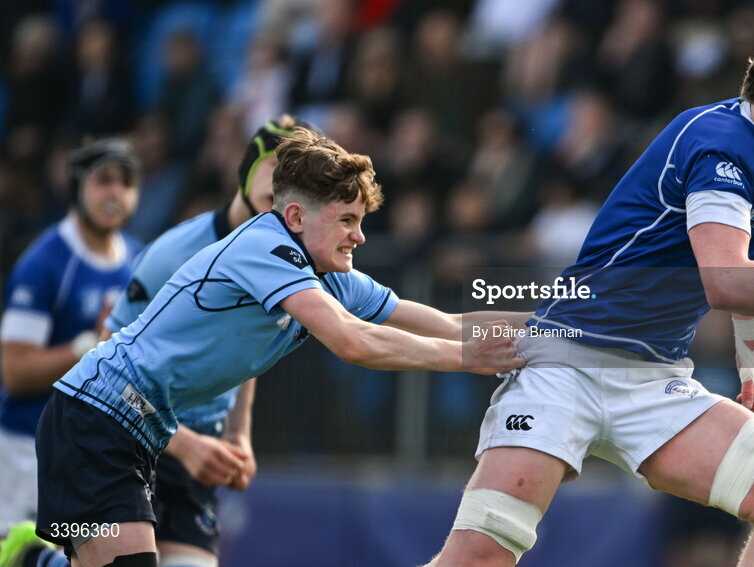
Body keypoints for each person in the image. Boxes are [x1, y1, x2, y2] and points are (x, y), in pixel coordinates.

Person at [425, 13, 754, 567]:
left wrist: (750, 357)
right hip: (564, 364)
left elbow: (743, 263)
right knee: (478, 556)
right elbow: (724, 281)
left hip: (653, 380)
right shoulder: (720, 145)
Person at [33, 127, 525, 567]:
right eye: (347, 220)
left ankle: (32, 559)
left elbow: (448, 322)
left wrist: (556, 323)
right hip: (95, 417)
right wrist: (465, 358)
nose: (360, 236)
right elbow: (353, 341)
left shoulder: (333, 276)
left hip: (143, 430)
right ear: (294, 215)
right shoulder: (264, 246)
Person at [97, 115, 308, 567]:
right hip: (129, 445)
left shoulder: (286, 260)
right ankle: (35, 556)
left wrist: (239, 433)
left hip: (198, 458)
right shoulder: (175, 252)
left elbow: (248, 350)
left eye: (302, 174)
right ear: (247, 173)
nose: (288, 183)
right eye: (278, 168)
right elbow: (102, 367)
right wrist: (184, 443)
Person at [0, 138, 141, 533]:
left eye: (127, 182)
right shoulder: (44, 264)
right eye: (104, 181)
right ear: (77, 186)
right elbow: (15, 371)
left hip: (100, 457)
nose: (116, 192)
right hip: (29, 454)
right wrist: (88, 347)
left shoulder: (140, 260)